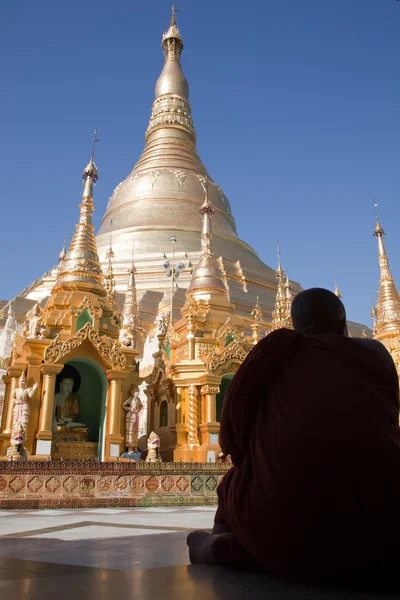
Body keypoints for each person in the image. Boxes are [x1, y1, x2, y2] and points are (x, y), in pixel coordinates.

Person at [187, 288, 400, 590]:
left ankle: (217, 547)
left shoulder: (274, 350)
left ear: (295, 326)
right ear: (343, 327)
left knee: (233, 483)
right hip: (384, 514)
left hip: (291, 522)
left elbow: (232, 438)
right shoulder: (376, 353)